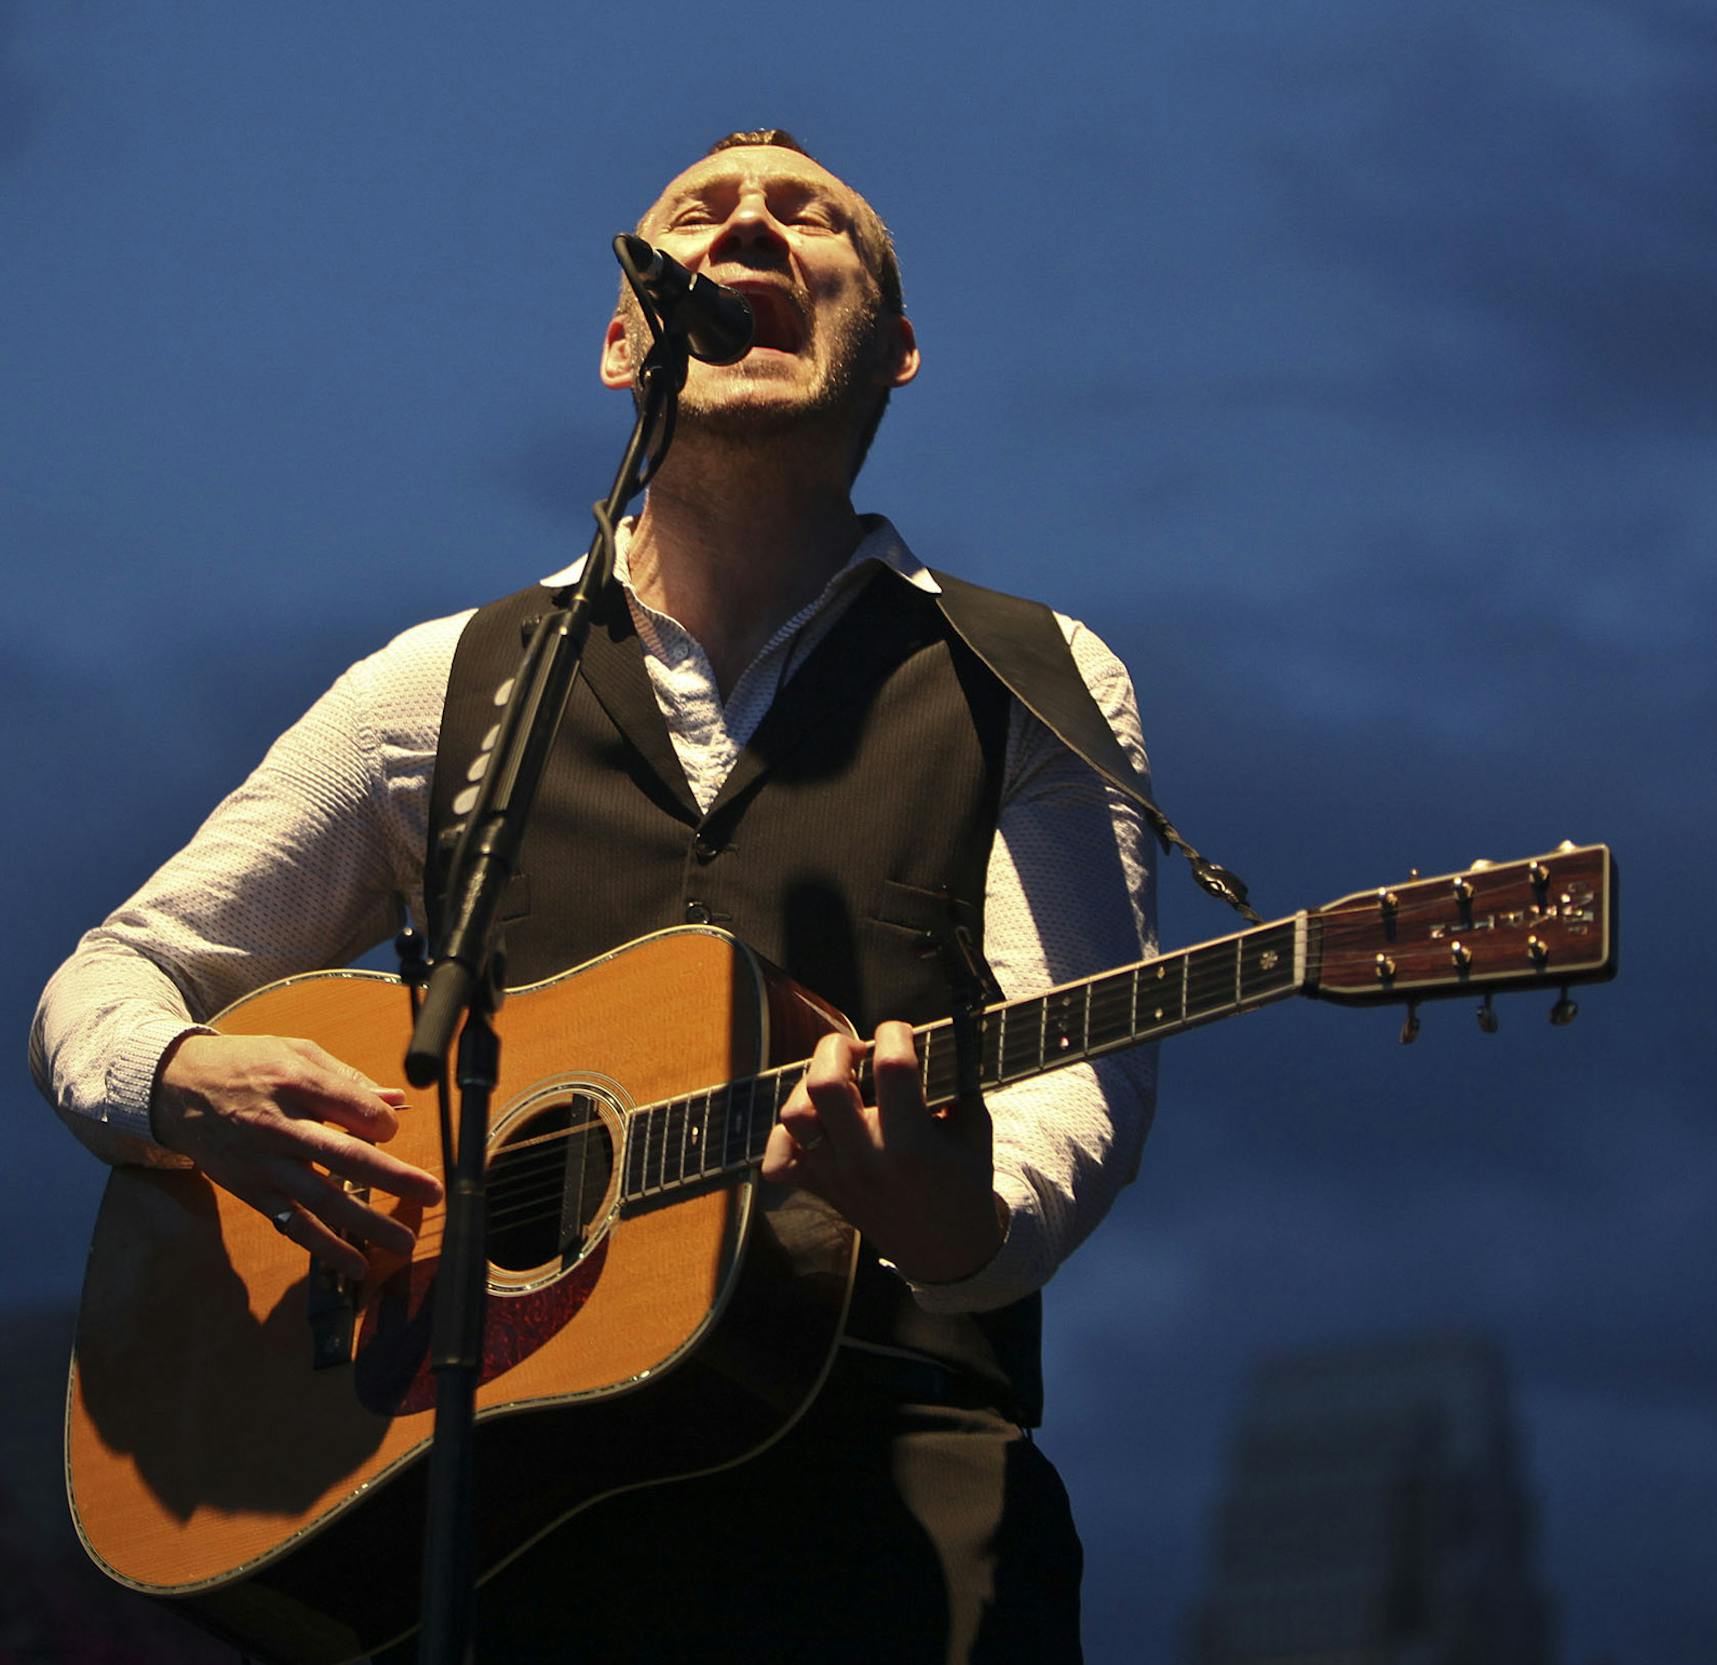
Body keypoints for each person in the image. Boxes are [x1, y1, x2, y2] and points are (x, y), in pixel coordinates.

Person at [31, 129, 1157, 1662]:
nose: (754, 220)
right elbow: (112, 976)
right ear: (628, 335)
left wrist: (966, 1219)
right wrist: (178, 1081)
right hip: (502, 1536)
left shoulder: (1029, 679)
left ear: (894, 353)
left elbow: (1075, 1086)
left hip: (891, 1526)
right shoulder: (436, 691)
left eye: (813, 217)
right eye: (703, 211)